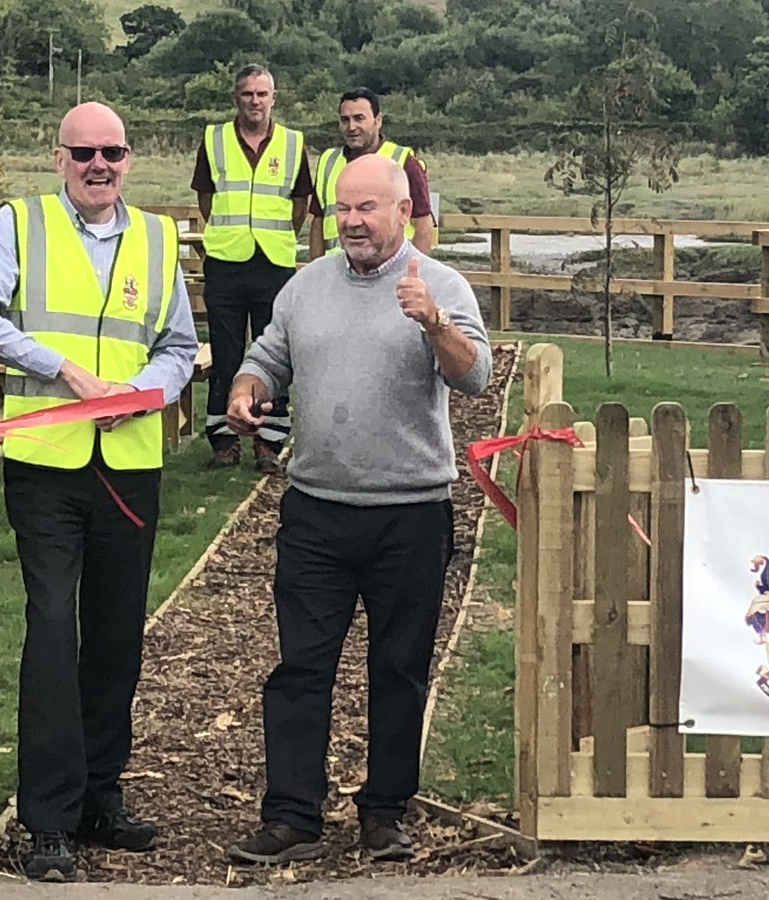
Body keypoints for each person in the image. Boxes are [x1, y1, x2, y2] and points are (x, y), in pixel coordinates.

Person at [0, 102, 199, 883]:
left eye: (112, 152)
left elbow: (180, 346)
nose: (99, 166)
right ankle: (48, 819)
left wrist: (142, 393)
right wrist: (63, 371)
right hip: (48, 462)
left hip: (129, 464)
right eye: (84, 152)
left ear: (129, 159)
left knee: (117, 633)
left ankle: (99, 798)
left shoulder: (157, 237)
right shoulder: (22, 225)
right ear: (59, 158)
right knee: (53, 628)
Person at [223, 154, 492, 864]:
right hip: (317, 509)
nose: (351, 221)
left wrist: (434, 324)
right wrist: (247, 390)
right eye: (343, 208)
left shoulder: (441, 286)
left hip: (411, 512)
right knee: (301, 668)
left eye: (366, 208)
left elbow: (477, 377)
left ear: (403, 212)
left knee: (399, 668)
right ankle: (292, 816)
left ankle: (385, 813)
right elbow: (268, 357)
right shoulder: (306, 287)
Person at [191, 63, 312, 474]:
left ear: (274, 98)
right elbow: (206, 198)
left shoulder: (293, 143)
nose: (255, 101)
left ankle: (268, 442)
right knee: (225, 354)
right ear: (235, 98)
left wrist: (276, 235)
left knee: (272, 353)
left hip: (273, 263)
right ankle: (224, 441)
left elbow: (300, 204)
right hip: (226, 262)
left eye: (262, 94)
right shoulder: (214, 139)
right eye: (247, 94)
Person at [309, 87, 435, 259]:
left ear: (378, 121)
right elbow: (318, 222)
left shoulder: (403, 161)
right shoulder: (328, 161)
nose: (351, 127)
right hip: (338, 269)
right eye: (345, 120)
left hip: (389, 269)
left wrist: (412, 270)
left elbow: (423, 225)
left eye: (359, 119)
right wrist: (317, 269)